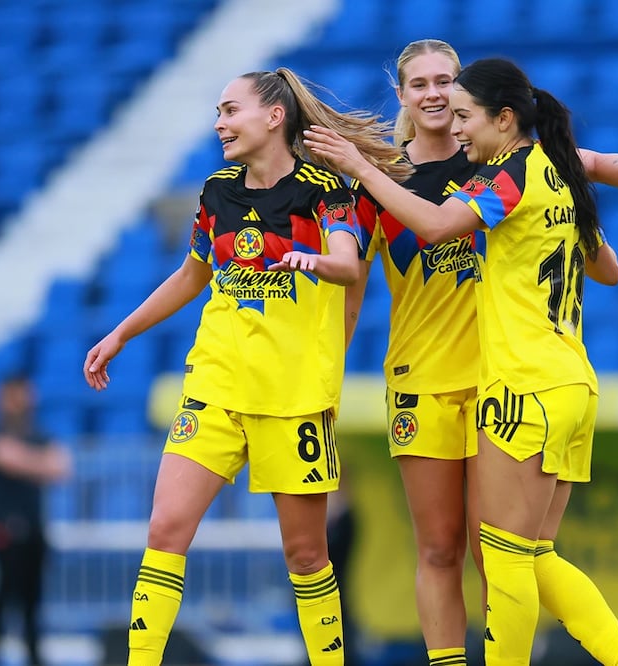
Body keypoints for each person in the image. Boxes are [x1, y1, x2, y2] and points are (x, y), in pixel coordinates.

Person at [307, 56, 618, 666]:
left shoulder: (497, 177)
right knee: (468, 552)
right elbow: (609, 266)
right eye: (422, 84)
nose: (441, 100)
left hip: (514, 381)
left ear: (496, 112)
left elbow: (442, 225)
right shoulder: (533, 170)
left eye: (453, 90)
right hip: (459, 378)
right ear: (402, 95)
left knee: (505, 554)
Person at [83, 67, 409, 666]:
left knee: (307, 556)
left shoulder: (325, 191)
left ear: (274, 116)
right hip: (215, 384)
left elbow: (346, 264)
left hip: (294, 398)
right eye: (218, 112)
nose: (220, 123)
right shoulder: (218, 191)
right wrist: (121, 333)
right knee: (165, 532)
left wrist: (305, 262)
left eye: (231, 110)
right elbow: (192, 274)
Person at [0, 374, 73, 666]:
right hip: (6, 533)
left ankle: (34, 657)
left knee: (33, 603)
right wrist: (39, 463)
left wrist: (26, 461)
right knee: (0, 601)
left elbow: (61, 467)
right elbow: (6, 457)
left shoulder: (38, 433)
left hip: (35, 531)